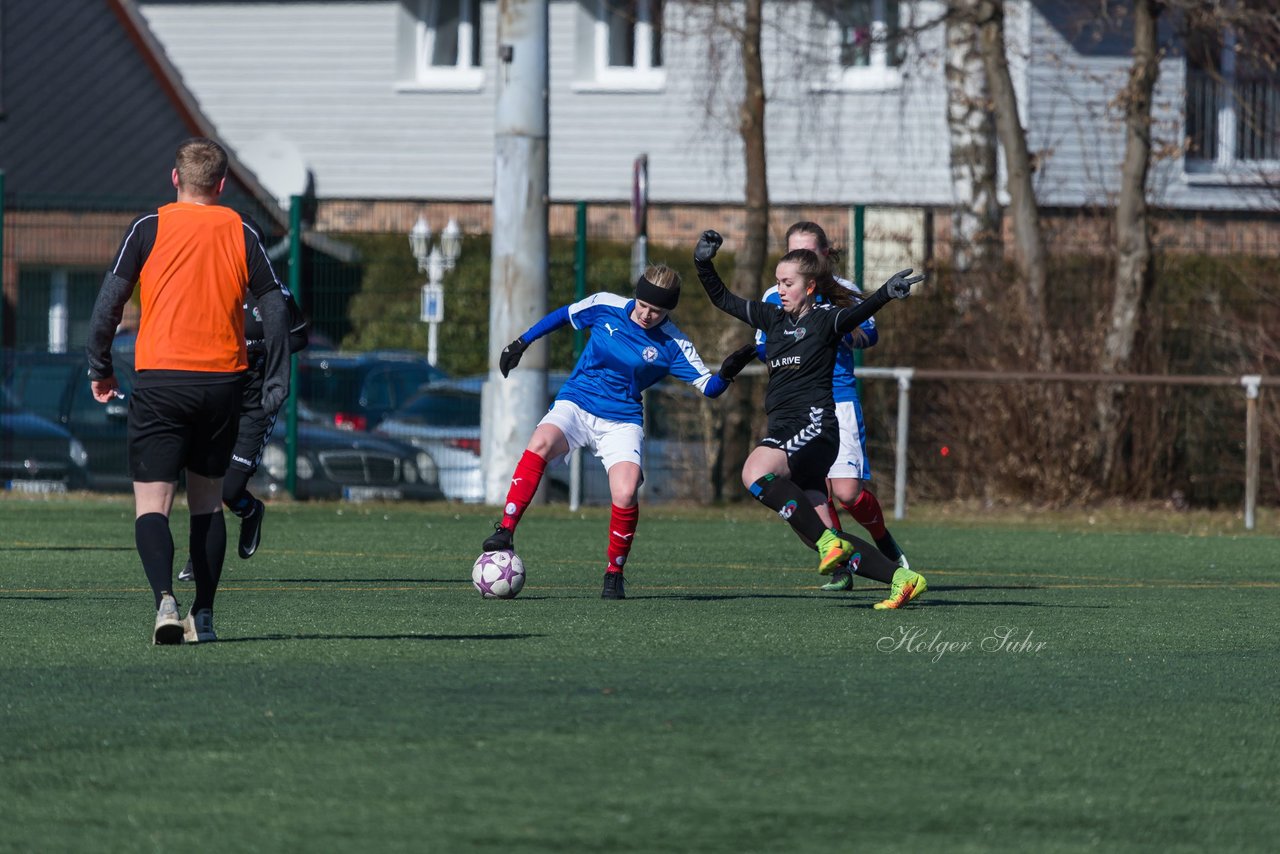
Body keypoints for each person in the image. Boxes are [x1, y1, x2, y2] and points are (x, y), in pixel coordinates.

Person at [86, 137, 291, 644]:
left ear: (174, 178)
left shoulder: (147, 226)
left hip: (160, 381)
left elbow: (108, 304)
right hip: (223, 383)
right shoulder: (242, 229)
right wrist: (277, 377)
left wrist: (100, 367)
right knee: (205, 505)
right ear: (221, 185)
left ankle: (164, 602)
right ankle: (203, 615)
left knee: (152, 506)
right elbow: (276, 305)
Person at [482, 264, 755, 600]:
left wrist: (728, 371)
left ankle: (614, 573)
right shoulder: (605, 305)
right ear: (636, 296)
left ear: (669, 310)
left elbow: (708, 386)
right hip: (578, 401)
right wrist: (521, 342)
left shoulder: (673, 343)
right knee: (539, 443)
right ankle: (505, 530)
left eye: (657, 310)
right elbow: (563, 315)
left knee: (625, 493)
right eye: (643, 305)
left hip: (622, 420)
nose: (647, 314)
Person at [693, 229, 928, 609]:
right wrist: (703, 264)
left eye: (787, 283)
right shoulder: (772, 318)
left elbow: (859, 313)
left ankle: (830, 543)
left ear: (810, 286)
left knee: (753, 471)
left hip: (815, 425)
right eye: (778, 282)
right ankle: (902, 578)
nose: (780, 290)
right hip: (788, 428)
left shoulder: (826, 319)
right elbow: (723, 299)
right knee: (819, 533)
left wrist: (885, 292)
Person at [756, 221, 908, 593]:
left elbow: (868, 333)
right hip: (796, 403)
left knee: (846, 492)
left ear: (825, 255)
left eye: (809, 252)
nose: (802, 259)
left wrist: (835, 329)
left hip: (837, 398)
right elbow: (762, 343)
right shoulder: (776, 294)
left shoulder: (843, 292)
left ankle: (883, 538)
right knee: (809, 491)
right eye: (795, 252)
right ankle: (841, 566)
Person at [178, 254, 309, 581]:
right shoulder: (215, 285)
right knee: (205, 478)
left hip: (258, 398)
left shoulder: (273, 292)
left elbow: (300, 334)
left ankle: (250, 511)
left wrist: (263, 349)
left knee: (229, 487)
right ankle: (198, 557)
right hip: (223, 391)